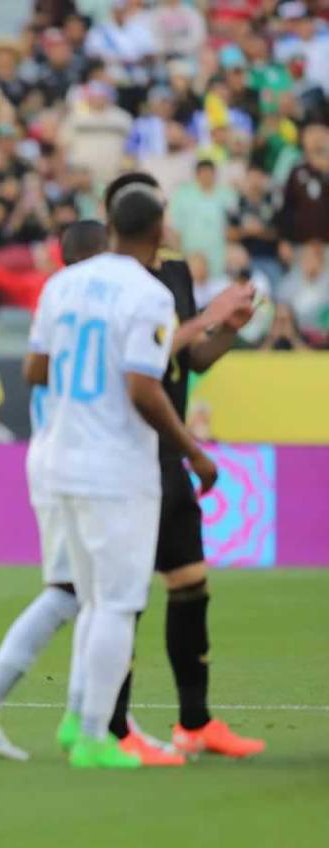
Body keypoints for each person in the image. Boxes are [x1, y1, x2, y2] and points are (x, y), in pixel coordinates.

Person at [27, 186, 215, 769]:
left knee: (90, 602)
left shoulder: (63, 284)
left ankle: (75, 723)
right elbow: (142, 387)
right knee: (115, 603)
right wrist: (195, 453)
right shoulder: (151, 293)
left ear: (109, 226)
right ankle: (93, 737)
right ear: (159, 230)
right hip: (117, 469)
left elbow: (35, 368)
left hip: (62, 457)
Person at [98, 172, 265, 758]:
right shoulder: (105, 280)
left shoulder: (172, 271)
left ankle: (195, 722)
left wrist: (225, 330)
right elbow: (137, 356)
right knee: (123, 596)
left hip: (166, 449)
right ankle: (112, 727)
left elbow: (187, 355)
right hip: (124, 448)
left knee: (190, 582)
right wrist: (208, 314)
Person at [0, 221, 109, 763]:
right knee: (75, 592)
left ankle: (86, 715)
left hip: (56, 453)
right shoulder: (88, 304)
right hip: (70, 457)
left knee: (94, 597)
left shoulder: (55, 302)